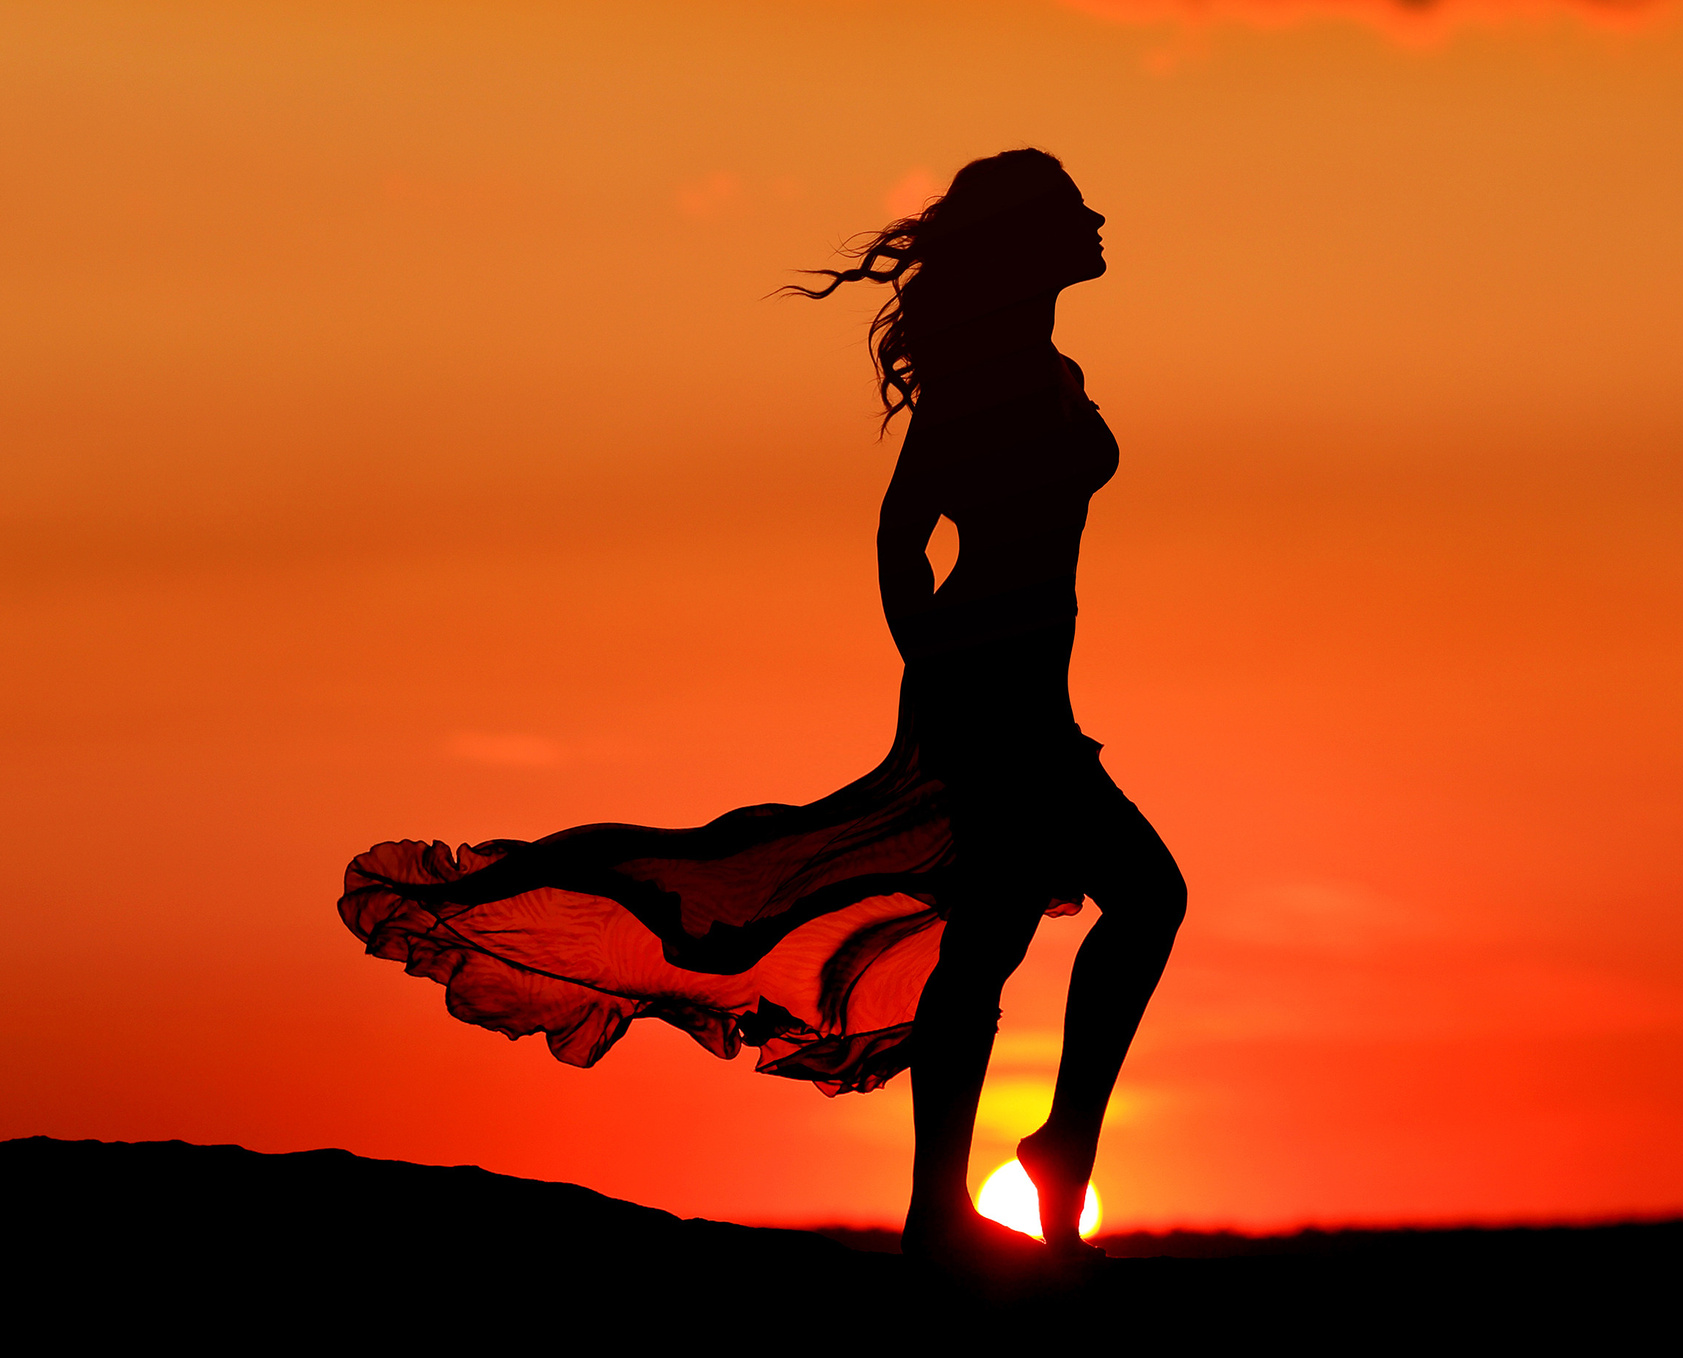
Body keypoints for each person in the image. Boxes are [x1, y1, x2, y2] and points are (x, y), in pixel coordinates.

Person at [337, 148, 1184, 1272]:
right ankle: (1030, 1169)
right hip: (986, 683)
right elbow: (899, 535)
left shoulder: (1049, 367)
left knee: (994, 940)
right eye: (1075, 211)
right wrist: (939, 661)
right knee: (1130, 900)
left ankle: (983, 1190)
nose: (1098, 222)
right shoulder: (986, 375)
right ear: (1031, 238)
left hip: (1029, 679)